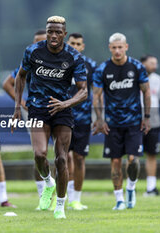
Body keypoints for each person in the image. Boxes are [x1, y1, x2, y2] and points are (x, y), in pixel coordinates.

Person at [13, 16, 88, 219]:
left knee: (62, 159)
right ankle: (48, 183)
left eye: (57, 32)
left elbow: (84, 91)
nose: (53, 35)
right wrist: (17, 106)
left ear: (64, 34)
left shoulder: (74, 57)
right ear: (46, 33)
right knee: (39, 154)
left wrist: (65, 103)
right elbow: (20, 76)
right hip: (37, 109)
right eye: (50, 32)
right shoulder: (33, 51)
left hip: (62, 110)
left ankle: (60, 207)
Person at [92, 32, 151, 210]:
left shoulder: (137, 67)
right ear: (110, 48)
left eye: (120, 47)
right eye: (114, 48)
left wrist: (147, 117)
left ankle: (131, 189)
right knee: (116, 162)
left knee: (133, 160)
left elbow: (146, 92)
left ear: (126, 47)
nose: (117, 51)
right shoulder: (102, 69)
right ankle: (119, 200)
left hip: (134, 122)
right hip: (112, 123)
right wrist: (100, 119)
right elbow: (96, 97)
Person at [3, 29, 48, 210]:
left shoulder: (61, 61)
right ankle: (42, 196)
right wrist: (22, 103)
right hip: (36, 112)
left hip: (58, 112)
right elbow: (8, 83)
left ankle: (66, 196)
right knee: (39, 154)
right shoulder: (29, 62)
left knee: (65, 154)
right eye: (36, 42)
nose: (39, 45)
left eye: (42, 41)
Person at [66, 33, 97, 210]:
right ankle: (62, 195)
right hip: (62, 117)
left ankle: (76, 199)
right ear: (67, 44)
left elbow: (97, 92)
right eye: (72, 43)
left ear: (82, 46)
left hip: (83, 119)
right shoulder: (58, 63)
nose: (75, 46)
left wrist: (98, 117)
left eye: (78, 44)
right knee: (62, 157)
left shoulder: (91, 66)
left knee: (79, 158)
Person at [140, 55, 160, 196]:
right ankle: (131, 186)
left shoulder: (158, 79)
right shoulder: (134, 77)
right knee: (132, 154)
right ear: (143, 64)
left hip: (154, 120)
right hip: (136, 119)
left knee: (152, 154)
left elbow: (158, 98)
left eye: (156, 63)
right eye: (151, 63)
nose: (154, 66)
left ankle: (151, 188)